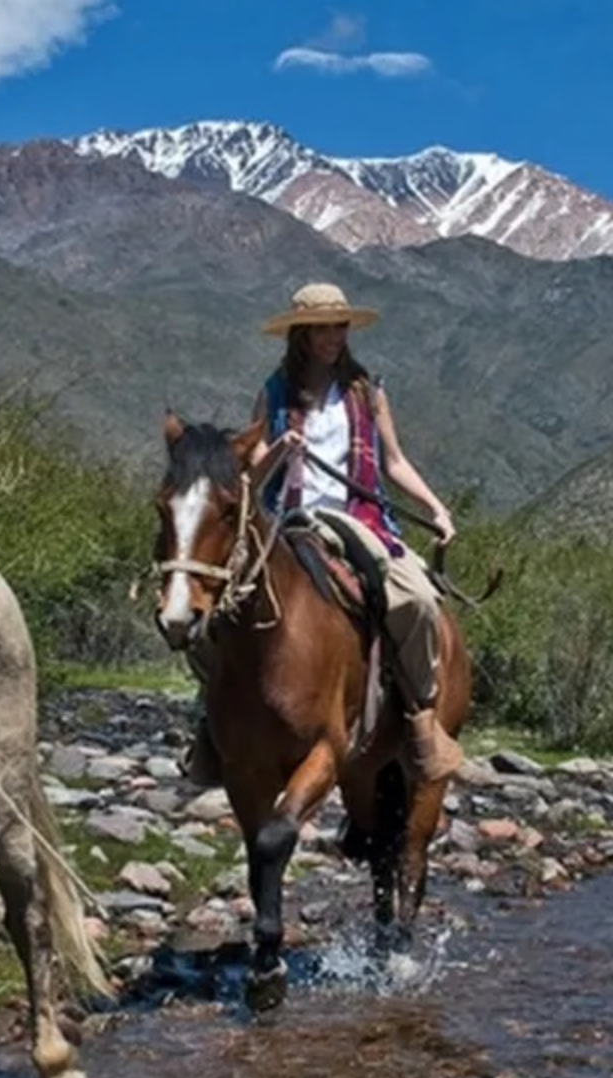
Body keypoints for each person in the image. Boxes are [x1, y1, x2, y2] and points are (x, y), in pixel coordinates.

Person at [186, 282, 464, 786]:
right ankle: (212, 722)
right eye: (323, 327)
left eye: (340, 325)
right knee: (210, 613)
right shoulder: (273, 392)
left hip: (357, 517)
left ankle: (421, 718)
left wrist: (436, 508)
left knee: (419, 601)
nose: (334, 335)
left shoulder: (367, 390)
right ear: (301, 334)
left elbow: (393, 461)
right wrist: (279, 449)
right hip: (285, 520)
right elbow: (250, 471)